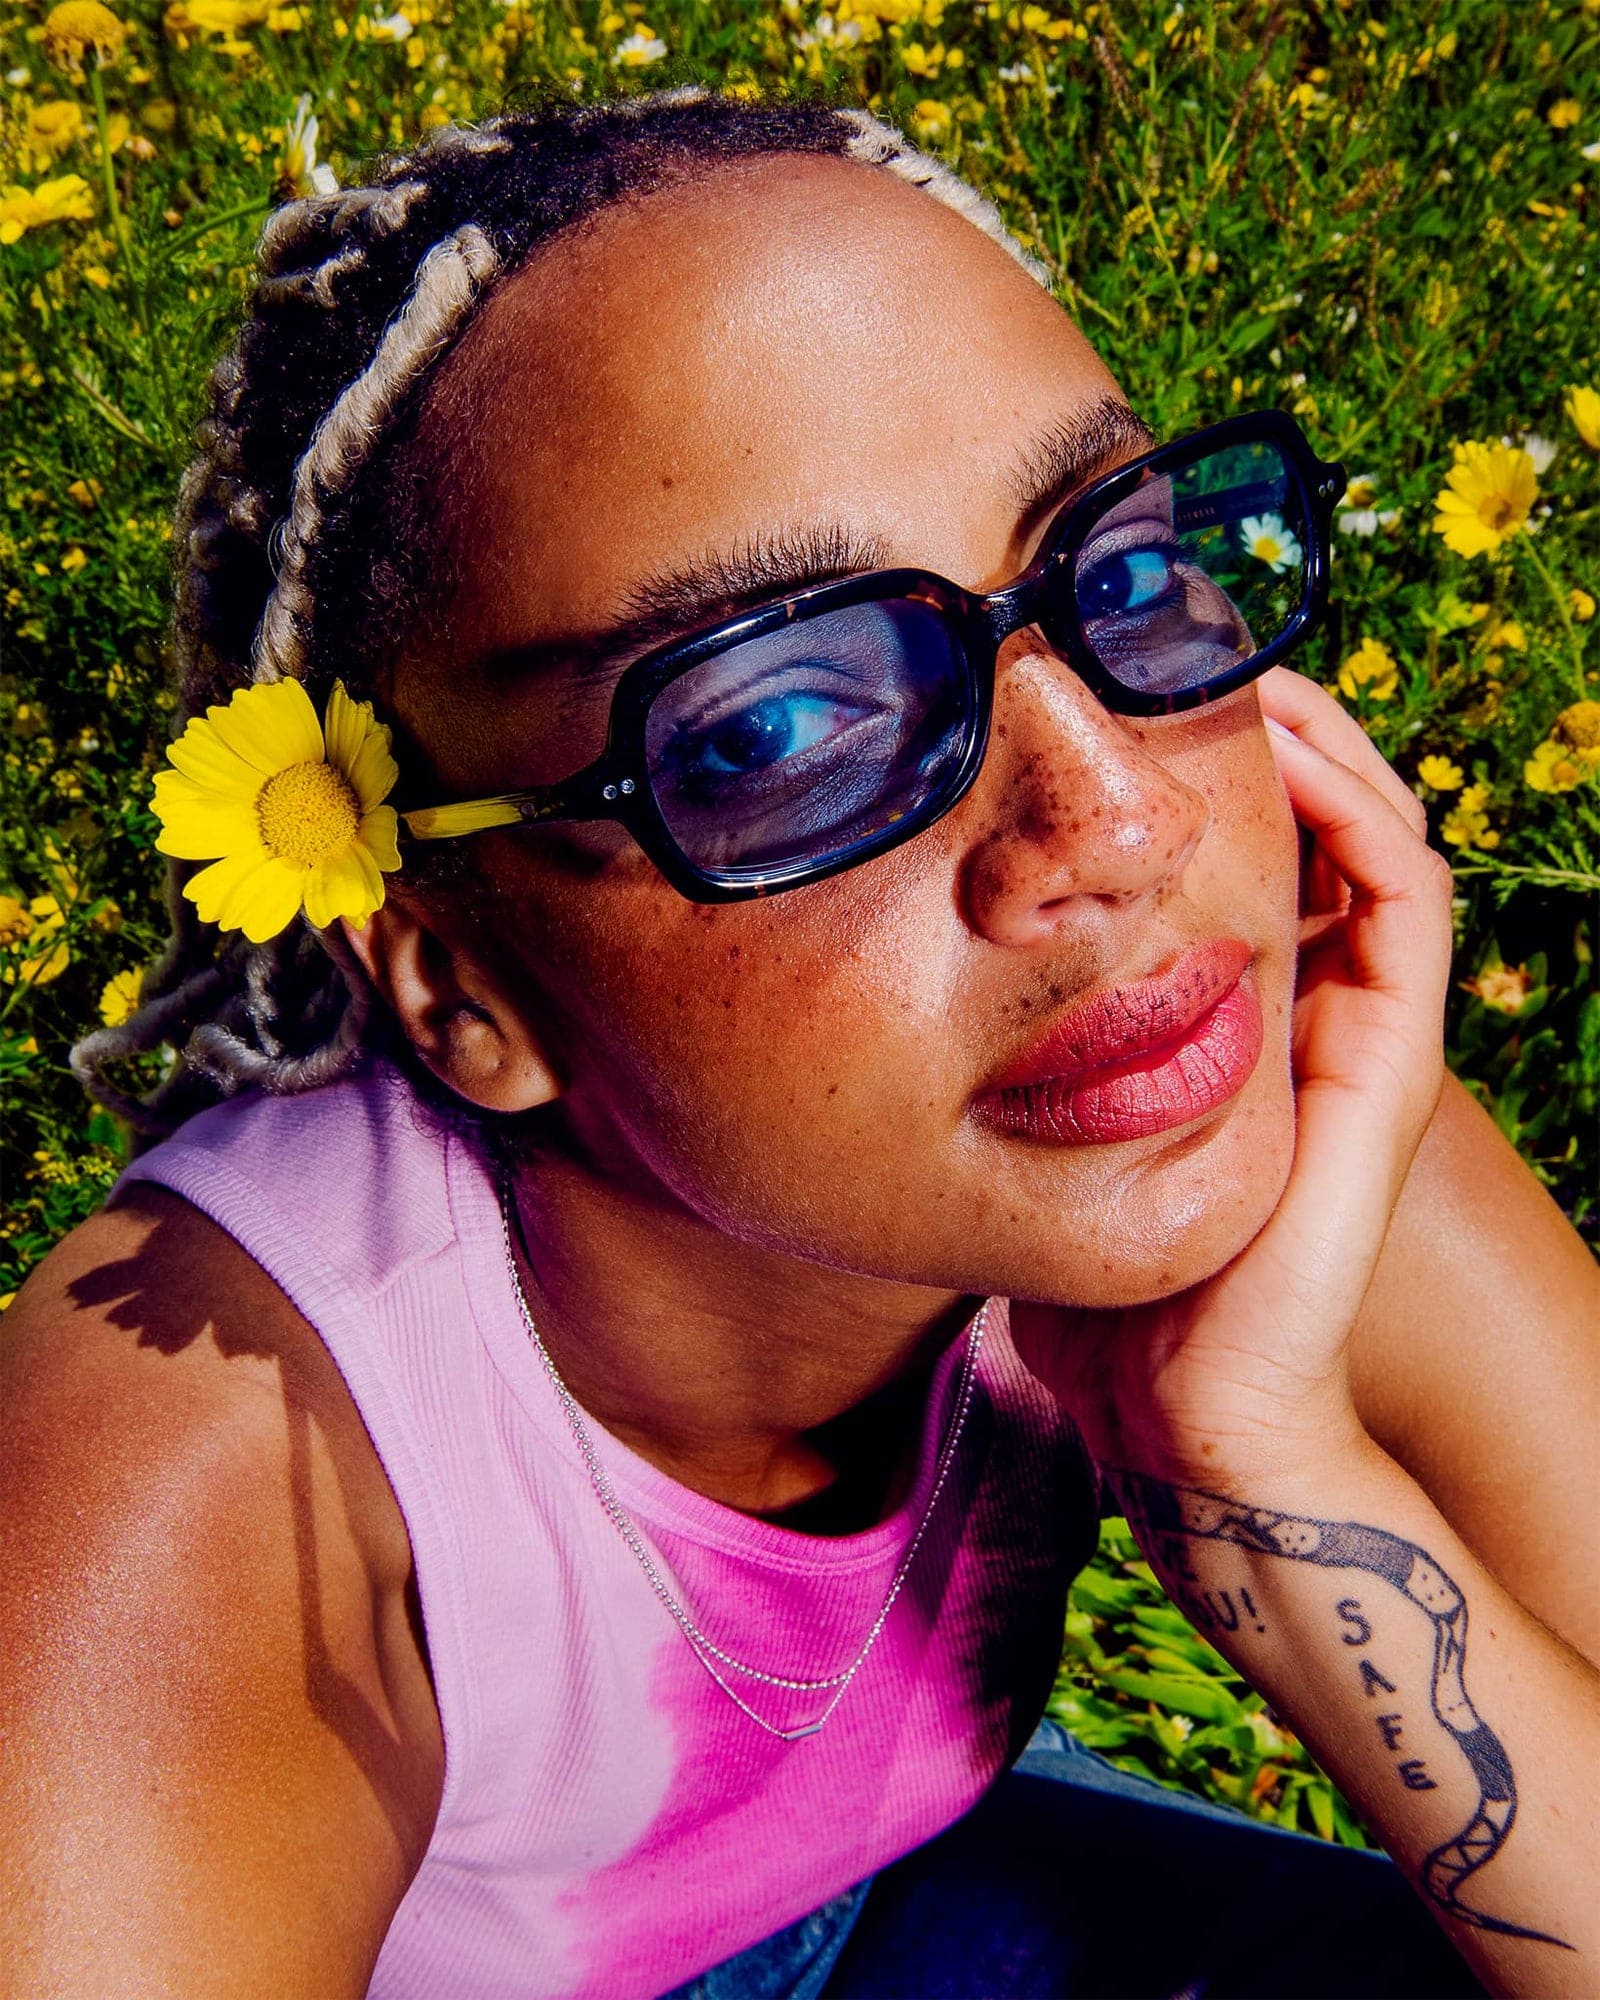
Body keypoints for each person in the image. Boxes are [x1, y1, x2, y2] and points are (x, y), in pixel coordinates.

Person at [2, 89, 1596, 2000]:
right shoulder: (192, 1503)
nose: (1117, 829)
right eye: (774, 730)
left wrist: (1267, 1468)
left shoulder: (1200, 1076)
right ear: (459, 986)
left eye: (1131, 566)